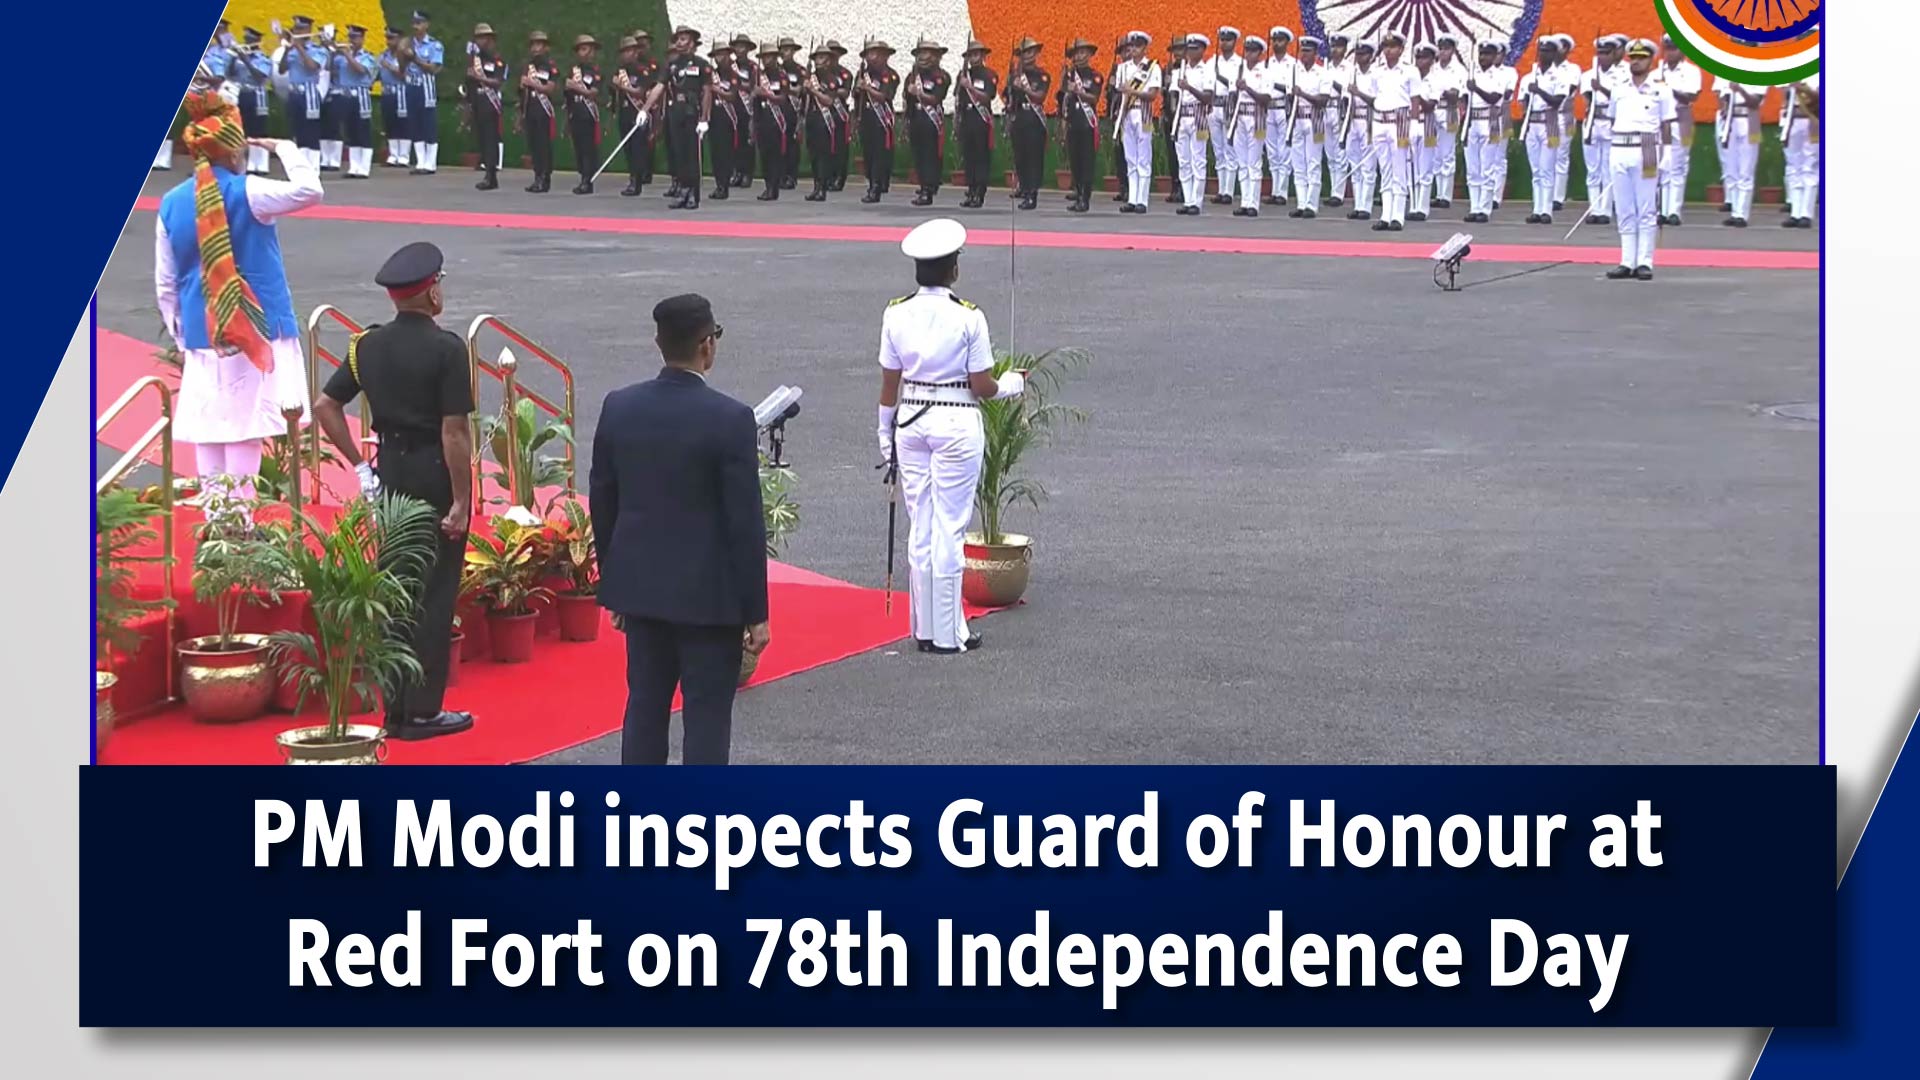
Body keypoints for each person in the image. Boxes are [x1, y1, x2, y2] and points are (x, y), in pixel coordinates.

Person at [591, 294, 769, 766]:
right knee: (707, 717)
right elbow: (744, 522)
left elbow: (604, 502)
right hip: (709, 600)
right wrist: (756, 611)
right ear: (707, 345)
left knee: (645, 708)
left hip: (643, 593)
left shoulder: (619, 407)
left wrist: (615, 586)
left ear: (658, 343)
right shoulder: (730, 419)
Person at [313, 241, 476, 742]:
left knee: (399, 588)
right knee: (434, 592)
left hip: (391, 472)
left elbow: (325, 406)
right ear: (430, 295)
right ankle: (422, 712)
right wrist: (461, 501)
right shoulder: (447, 349)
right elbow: (454, 433)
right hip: (431, 472)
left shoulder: (366, 345)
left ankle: (395, 706)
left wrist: (362, 464)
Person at [153, 89, 322, 523]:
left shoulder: (171, 203)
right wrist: (287, 148)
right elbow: (310, 190)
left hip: (200, 325)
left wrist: (183, 330)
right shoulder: (249, 191)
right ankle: (241, 523)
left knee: (209, 426)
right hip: (254, 323)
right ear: (232, 148)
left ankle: (216, 520)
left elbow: (166, 283)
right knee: (245, 428)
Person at [878, 220, 1026, 655]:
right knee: (950, 527)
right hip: (957, 419)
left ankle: (925, 628)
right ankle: (948, 633)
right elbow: (982, 385)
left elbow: (890, 383)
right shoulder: (968, 316)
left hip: (910, 420)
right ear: (953, 270)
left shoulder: (895, 312)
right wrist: (1014, 384)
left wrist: (884, 434)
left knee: (920, 523)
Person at [1602, 39, 1675, 282]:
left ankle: (1644, 261)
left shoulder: (1660, 88)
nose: (1636, 61)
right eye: (1632, 57)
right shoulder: (1619, 87)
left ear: (1650, 60)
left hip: (1646, 147)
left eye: (1641, 57)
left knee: (1646, 209)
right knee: (1624, 209)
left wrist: (1666, 156)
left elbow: (1666, 125)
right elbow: (1613, 119)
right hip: (1620, 147)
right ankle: (1626, 260)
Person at [1363, 32, 1416, 231]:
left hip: (1400, 121)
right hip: (1380, 121)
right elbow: (1375, 97)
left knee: (1399, 170)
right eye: (1385, 46)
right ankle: (1385, 215)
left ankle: (1398, 216)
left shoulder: (1410, 71)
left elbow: (1415, 101)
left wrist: (1415, 126)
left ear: (1401, 49)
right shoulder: (1377, 72)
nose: (1388, 50)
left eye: (1393, 46)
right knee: (1384, 170)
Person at [1462, 39, 1515, 223]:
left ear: (1494, 57)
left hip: (1490, 120)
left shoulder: (1499, 75)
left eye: (1487, 54)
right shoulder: (1471, 73)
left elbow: (1494, 98)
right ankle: (1474, 207)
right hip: (1472, 121)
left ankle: (1484, 209)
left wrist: (1475, 88)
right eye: (1481, 54)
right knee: (1473, 169)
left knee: (1488, 167)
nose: (1483, 57)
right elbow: (1464, 99)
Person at [1519, 36, 1571, 225]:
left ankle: (1546, 210)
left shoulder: (1560, 77)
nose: (1543, 54)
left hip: (1550, 123)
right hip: (1532, 123)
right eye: (1541, 50)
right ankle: (1536, 208)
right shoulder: (1529, 77)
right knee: (1536, 170)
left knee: (1547, 168)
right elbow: (1523, 101)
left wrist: (1539, 90)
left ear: (1555, 53)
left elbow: (1557, 102)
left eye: (1548, 51)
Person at [663, 27, 713, 210]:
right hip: (676, 111)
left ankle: (693, 193)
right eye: (677, 39)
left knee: (693, 155)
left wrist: (704, 118)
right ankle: (683, 191)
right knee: (679, 153)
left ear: (692, 42)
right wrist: (644, 109)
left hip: (693, 112)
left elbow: (707, 92)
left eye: (683, 39)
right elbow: (660, 87)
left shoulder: (702, 64)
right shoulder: (672, 64)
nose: (679, 43)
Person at [1580, 34, 1627, 225]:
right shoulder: (1588, 74)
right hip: (1593, 121)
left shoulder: (1622, 75)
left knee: (1608, 169)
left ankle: (1605, 211)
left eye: (1606, 53)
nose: (1602, 57)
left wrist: (1602, 88)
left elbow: (1619, 98)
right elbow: (1587, 98)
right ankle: (1594, 208)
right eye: (1599, 53)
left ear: (1613, 54)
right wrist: (1594, 89)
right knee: (1593, 170)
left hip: (1610, 122)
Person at [1113, 32, 1162, 213]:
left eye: (1137, 46)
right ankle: (1132, 199)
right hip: (1127, 114)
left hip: (1143, 114)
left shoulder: (1152, 67)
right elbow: (1118, 89)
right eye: (1131, 46)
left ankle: (1142, 200)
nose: (1133, 50)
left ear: (1144, 48)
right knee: (1130, 159)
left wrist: (1132, 92)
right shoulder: (1123, 68)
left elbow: (1152, 95)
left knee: (1144, 158)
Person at [1655, 35, 1701, 226]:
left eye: (1674, 48)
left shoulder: (1690, 71)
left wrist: (1668, 87)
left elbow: (1690, 96)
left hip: (1681, 120)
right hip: (1661, 122)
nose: (1670, 53)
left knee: (1678, 167)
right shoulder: (1656, 71)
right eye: (1667, 49)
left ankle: (1674, 210)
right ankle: (1661, 210)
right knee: (1662, 166)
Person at [1285, 35, 1329, 216]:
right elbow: (1289, 97)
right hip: (1297, 120)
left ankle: (1312, 204)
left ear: (1315, 53)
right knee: (1298, 164)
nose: (1304, 54)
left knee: (1313, 163)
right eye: (1302, 51)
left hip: (1315, 120)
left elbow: (1323, 100)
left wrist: (1302, 94)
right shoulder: (1294, 71)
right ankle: (1301, 203)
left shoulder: (1322, 73)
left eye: (1308, 51)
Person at [905, 40, 952, 208]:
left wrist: (919, 94)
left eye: (929, 53)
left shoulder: (941, 77)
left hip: (930, 119)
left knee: (930, 155)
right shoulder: (912, 76)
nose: (924, 57)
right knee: (918, 154)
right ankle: (924, 184)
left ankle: (929, 188)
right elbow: (907, 101)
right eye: (921, 53)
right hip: (916, 117)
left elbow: (935, 99)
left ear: (937, 57)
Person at [1227, 35, 1269, 218]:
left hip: (1256, 116)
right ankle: (1244, 202)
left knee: (1254, 162)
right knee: (1242, 163)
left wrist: (1247, 89)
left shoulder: (1265, 72)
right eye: (1247, 50)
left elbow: (1266, 99)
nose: (1249, 54)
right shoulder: (1239, 69)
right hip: (1240, 116)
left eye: (1253, 51)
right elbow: (1232, 95)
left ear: (1260, 53)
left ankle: (1254, 203)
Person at [1004, 38, 1049, 210]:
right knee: (1020, 156)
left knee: (1033, 158)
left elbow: (1040, 97)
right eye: (1024, 53)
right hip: (1019, 117)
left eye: (1031, 52)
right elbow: (1007, 97)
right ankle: (1023, 187)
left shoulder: (1041, 75)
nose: (1028, 56)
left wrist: (1025, 89)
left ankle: (1032, 194)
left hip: (1033, 118)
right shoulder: (1015, 75)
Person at [854, 41, 902, 204]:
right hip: (866, 117)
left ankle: (875, 187)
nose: (871, 57)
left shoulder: (891, 75)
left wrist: (867, 89)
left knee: (880, 154)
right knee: (868, 153)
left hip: (881, 119)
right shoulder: (862, 74)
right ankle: (873, 181)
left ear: (884, 56)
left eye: (875, 53)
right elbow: (855, 97)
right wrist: (858, 89)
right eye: (869, 54)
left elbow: (884, 96)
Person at [1716, 77, 1767, 227]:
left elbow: (1755, 102)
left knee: (1746, 170)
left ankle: (1742, 214)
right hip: (1729, 121)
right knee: (1732, 169)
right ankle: (1734, 211)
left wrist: (1740, 90)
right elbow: (1720, 95)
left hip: (1748, 120)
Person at [1060, 39, 1104, 213]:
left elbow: (1094, 99)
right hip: (1073, 123)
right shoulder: (1069, 75)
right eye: (1076, 53)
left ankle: (1085, 198)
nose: (1079, 56)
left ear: (1089, 55)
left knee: (1087, 163)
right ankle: (1077, 194)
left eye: (1082, 52)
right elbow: (1063, 101)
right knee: (1075, 162)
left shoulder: (1095, 76)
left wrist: (1078, 91)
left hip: (1087, 123)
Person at [614, 34, 660, 197]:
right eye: (625, 51)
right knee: (628, 149)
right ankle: (632, 177)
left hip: (638, 113)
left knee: (638, 148)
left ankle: (637, 181)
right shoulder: (619, 72)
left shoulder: (643, 71)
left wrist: (622, 87)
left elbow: (641, 92)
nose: (628, 54)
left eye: (631, 51)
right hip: (624, 113)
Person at [279, 17, 329, 169]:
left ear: (308, 31)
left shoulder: (318, 50)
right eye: (296, 29)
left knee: (311, 130)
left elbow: (312, 67)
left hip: (309, 95)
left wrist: (299, 47)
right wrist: (287, 50)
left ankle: (313, 167)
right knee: (297, 130)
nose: (297, 32)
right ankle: (301, 166)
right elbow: (282, 70)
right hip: (294, 94)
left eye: (300, 29)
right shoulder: (291, 50)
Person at [953, 41, 997, 208]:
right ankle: (971, 189)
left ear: (983, 56)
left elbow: (987, 97)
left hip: (981, 119)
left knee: (981, 157)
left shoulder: (989, 74)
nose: (973, 58)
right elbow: (958, 96)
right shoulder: (964, 74)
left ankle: (980, 192)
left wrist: (970, 87)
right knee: (969, 157)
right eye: (970, 55)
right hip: (967, 118)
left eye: (976, 54)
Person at [328, 26, 376, 178]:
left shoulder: (367, 56)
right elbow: (330, 70)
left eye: (355, 38)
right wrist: (332, 52)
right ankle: (354, 167)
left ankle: (364, 168)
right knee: (351, 132)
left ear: (362, 39)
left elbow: (360, 70)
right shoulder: (341, 57)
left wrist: (348, 55)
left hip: (360, 96)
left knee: (363, 131)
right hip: (345, 96)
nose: (352, 41)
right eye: (350, 38)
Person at [1170, 34, 1209, 215]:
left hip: (1198, 116)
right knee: (1183, 160)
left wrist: (1189, 88)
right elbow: (1173, 96)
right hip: (1182, 116)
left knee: (1198, 160)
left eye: (1195, 49)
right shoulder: (1179, 70)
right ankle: (1187, 199)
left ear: (1202, 50)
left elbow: (1208, 98)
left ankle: (1197, 201)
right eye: (1189, 49)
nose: (1190, 53)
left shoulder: (1207, 70)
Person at [1340, 39, 1378, 221]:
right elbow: (1345, 99)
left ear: (1370, 56)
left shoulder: (1376, 75)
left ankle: (1366, 207)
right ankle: (1358, 204)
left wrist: (1358, 93)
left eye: (1363, 54)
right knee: (1355, 165)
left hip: (1368, 120)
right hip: (1353, 120)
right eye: (1357, 53)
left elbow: (1377, 102)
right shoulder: (1351, 73)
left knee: (1368, 166)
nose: (1359, 57)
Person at [1259, 28, 1297, 209]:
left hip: (1284, 108)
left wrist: (1274, 85)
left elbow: (1291, 89)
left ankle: (1282, 192)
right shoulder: (1266, 64)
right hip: (1269, 109)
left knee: (1285, 151)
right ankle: (1275, 191)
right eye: (1274, 40)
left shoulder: (1293, 64)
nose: (1276, 43)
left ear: (1287, 42)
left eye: (1280, 40)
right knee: (1272, 152)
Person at [404, 11, 445, 174]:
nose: (416, 26)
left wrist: (414, 58)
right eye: (414, 23)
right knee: (415, 124)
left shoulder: (434, 45)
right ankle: (420, 161)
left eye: (419, 23)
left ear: (426, 25)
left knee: (428, 123)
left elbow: (433, 68)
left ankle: (430, 162)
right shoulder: (408, 43)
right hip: (411, 85)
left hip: (426, 86)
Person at [1429, 34, 1467, 208]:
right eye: (1441, 48)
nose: (1443, 52)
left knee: (1447, 154)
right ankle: (1438, 193)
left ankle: (1446, 195)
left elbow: (1455, 95)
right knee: (1435, 155)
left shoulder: (1459, 70)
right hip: (1433, 111)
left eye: (1447, 48)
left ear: (1453, 50)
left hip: (1449, 111)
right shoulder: (1432, 69)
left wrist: (1442, 92)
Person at [467, 24, 506, 190]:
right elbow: (469, 84)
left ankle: (491, 175)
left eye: (484, 38)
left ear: (490, 40)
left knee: (491, 139)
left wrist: (479, 77)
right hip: (477, 102)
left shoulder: (497, 60)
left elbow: (498, 82)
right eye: (478, 38)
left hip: (490, 103)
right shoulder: (474, 60)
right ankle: (486, 170)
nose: (481, 41)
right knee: (482, 139)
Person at [751, 41, 791, 201]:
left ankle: (774, 187)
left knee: (775, 156)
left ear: (776, 58)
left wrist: (766, 94)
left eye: (770, 56)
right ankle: (768, 186)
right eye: (764, 57)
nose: (767, 60)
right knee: (764, 155)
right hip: (762, 119)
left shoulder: (782, 76)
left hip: (776, 119)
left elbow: (783, 98)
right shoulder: (758, 76)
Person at [565, 34, 605, 195]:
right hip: (575, 113)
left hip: (588, 114)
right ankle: (582, 176)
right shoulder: (573, 71)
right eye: (582, 49)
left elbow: (593, 92)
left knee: (588, 148)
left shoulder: (595, 72)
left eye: (588, 49)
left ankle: (587, 180)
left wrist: (576, 87)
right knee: (579, 148)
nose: (586, 53)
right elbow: (567, 93)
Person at [708, 41, 745, 203]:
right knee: (715, 154)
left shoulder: (733, 75)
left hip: (728, 118)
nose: (719, 58)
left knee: (725, 153)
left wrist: (717, 90)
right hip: (713, 117)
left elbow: (732, 96)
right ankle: (718, 184)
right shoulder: (711, 75)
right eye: (716, 55)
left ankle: (724, 185)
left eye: (722, 54)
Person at [1781, 74, 1819, 229]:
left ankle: (1806, 214)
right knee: (1793, 167)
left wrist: (1802, 88)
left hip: (1812, 121)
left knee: (1809, 167)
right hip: (1792, 121)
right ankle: (1795, 213)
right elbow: (1785, 96)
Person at [235, 29, 276, 174]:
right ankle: (250, 163)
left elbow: (260, 77)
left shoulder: (263, 58)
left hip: (257, 95)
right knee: (244, 129)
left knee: (259, 129)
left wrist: (246, 61)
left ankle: (262, 164)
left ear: (256, 42)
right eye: (246, 40)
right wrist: (234, 58)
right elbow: (229, 74)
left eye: (250, 40)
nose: (247, 43)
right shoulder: (239, 58)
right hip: (242, 93)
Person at [1323, 33, 1354, 207]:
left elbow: (1346, 91)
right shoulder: (1326, 67)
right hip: (1326, 109)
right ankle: (1333, 190)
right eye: (1333, 46)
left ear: (1345, 49)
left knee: (1341, 154)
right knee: (1330, 154)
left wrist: (1332, 82)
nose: (1335, 50)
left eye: (1339, 46)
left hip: (1339, 109)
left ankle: (1338, 193)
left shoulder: (1349, 68)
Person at [378, 27, 412, 167]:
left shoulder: (405, 56)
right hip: (387, 92)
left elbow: (407, 76)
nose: (388, 41)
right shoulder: (383, 55)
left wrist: (391, 67)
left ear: (399, 39)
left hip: (401, 91)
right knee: (390, 123)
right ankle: (393, 155)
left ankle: (404, 156)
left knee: (403, 124)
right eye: (387, 38)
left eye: (392, 38)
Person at [828, 41, 855, 190]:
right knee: (825, 147)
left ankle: (839, 178)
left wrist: (828, 90)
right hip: (823, 112)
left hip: (838, 112)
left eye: (835, 53)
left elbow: (844, 92)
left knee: (839, 147)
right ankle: (827, 177)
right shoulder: (818, 74)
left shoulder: (845, 74)